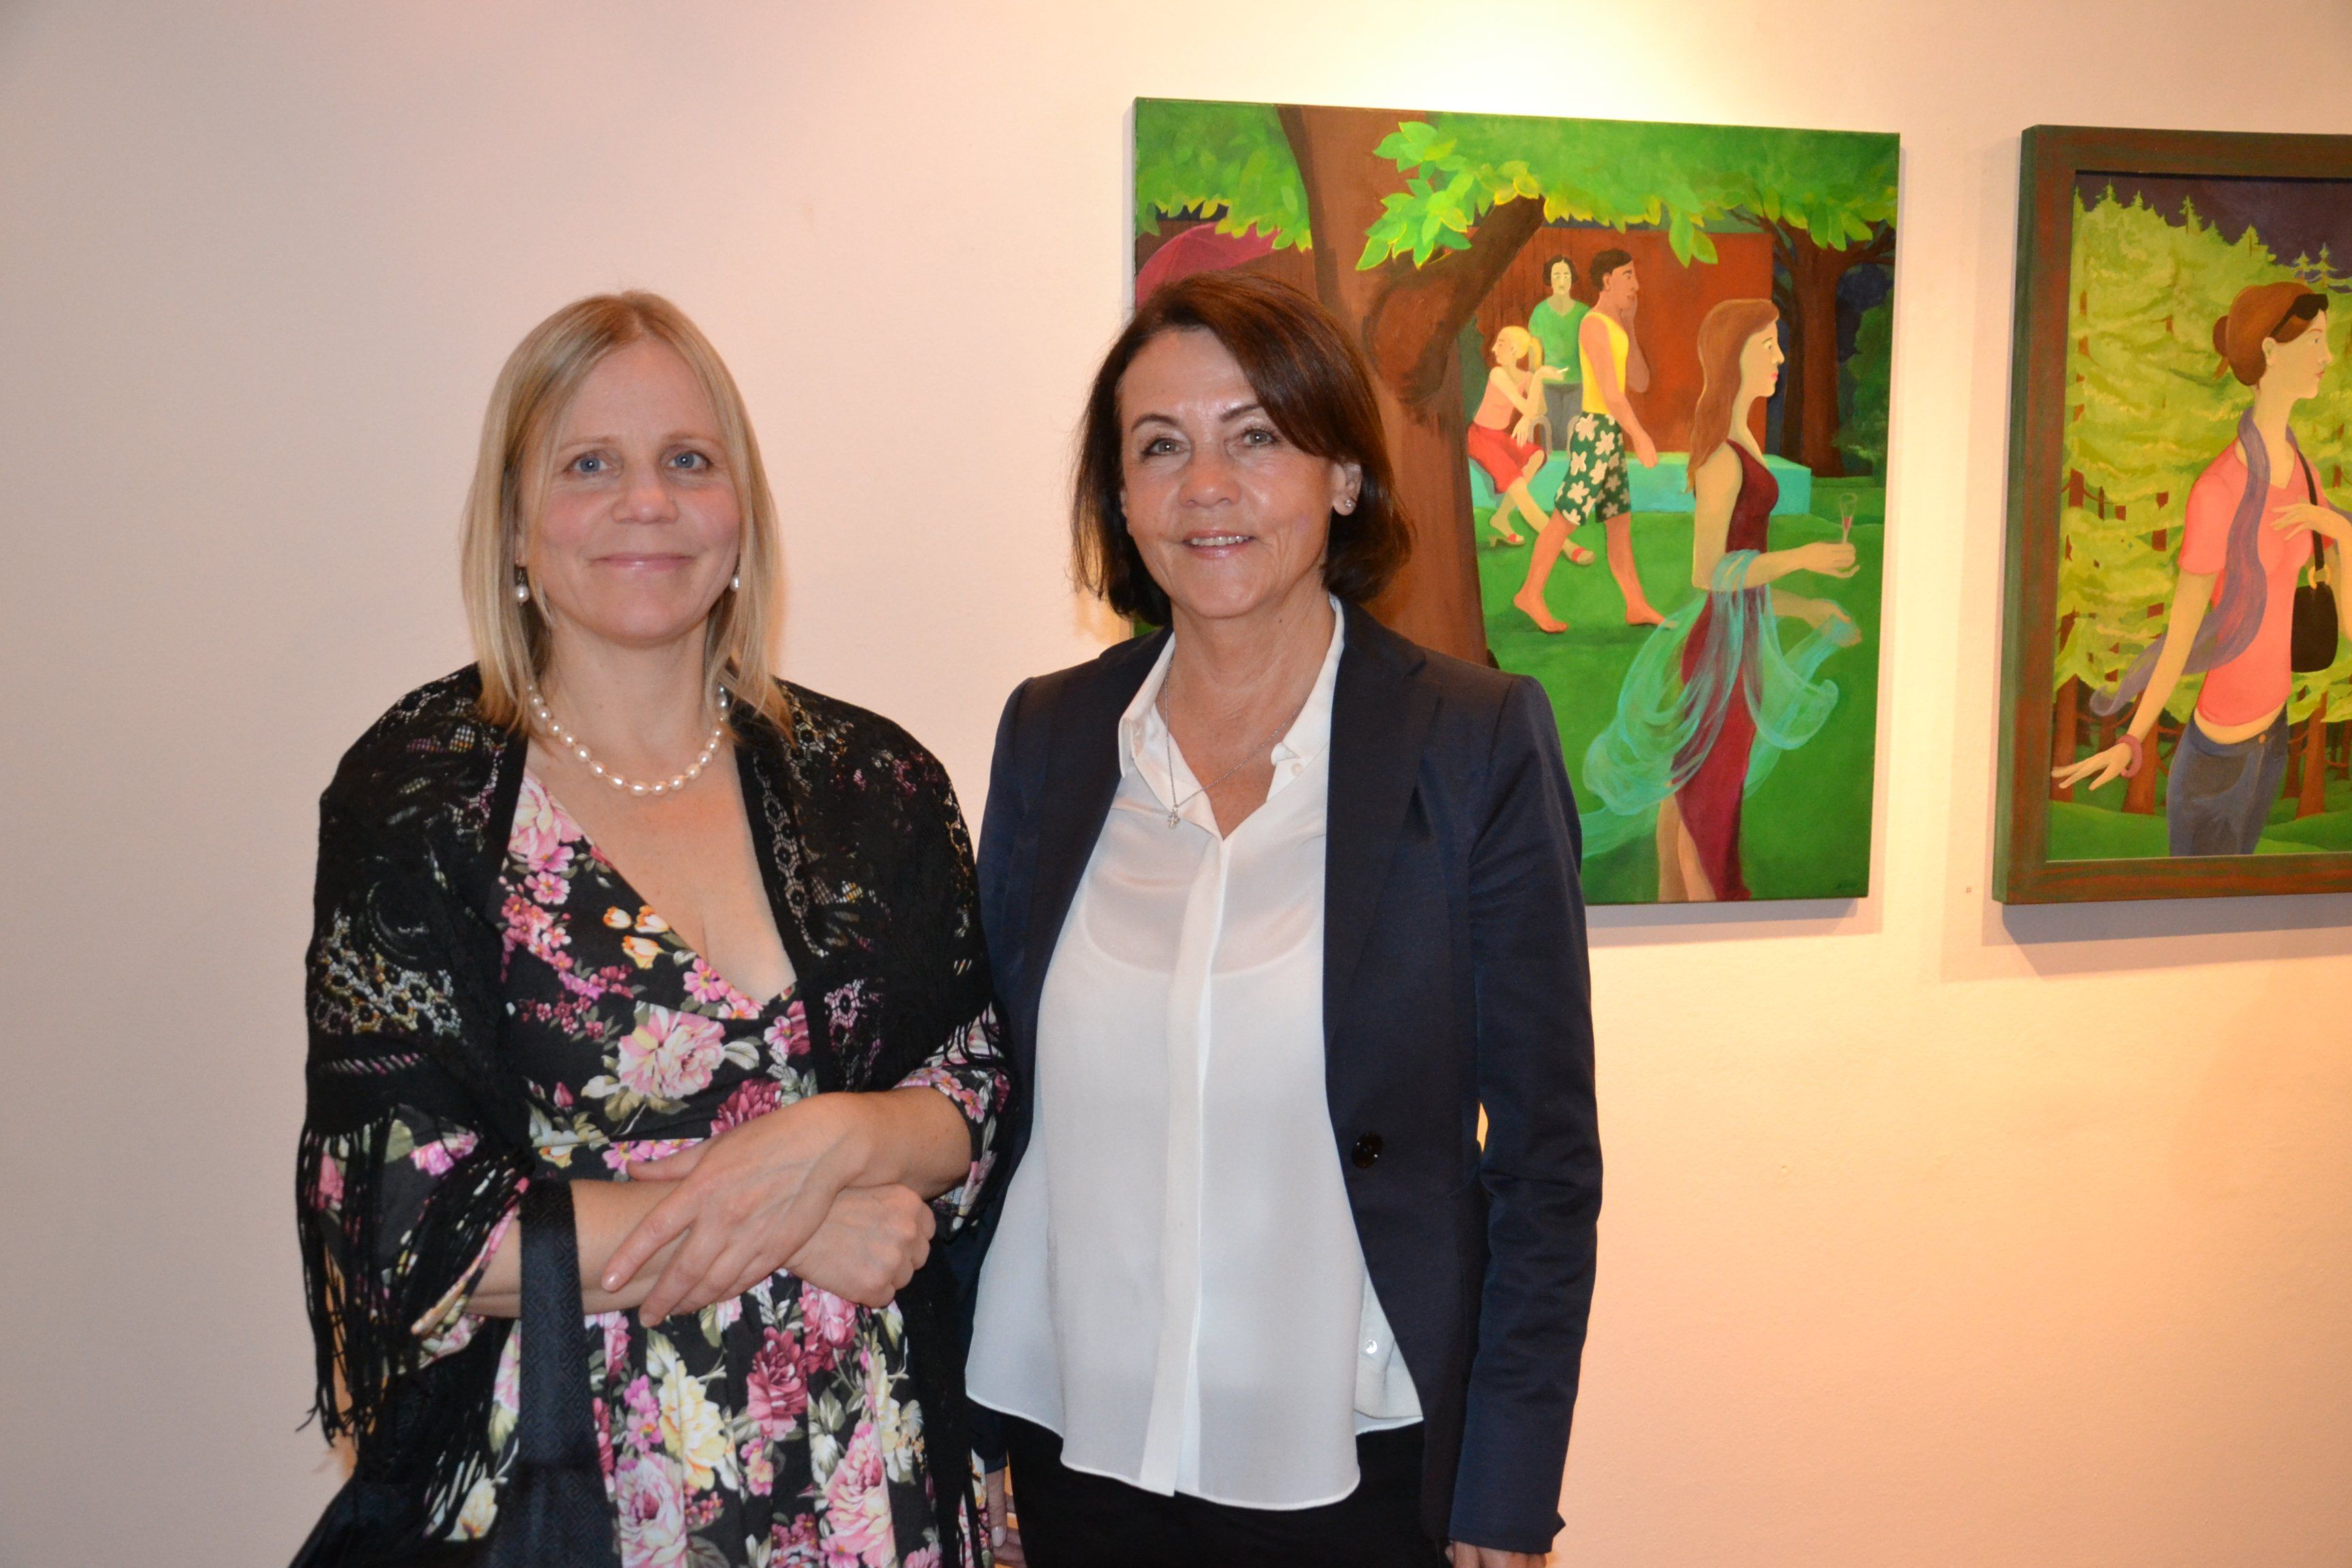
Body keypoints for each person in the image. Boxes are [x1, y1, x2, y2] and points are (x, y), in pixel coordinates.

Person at [294, 292, 1008, 1567]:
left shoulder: (872, 779)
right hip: (571, 1487)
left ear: (742, 510)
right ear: (516, 523)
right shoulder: (420, 799)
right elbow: (401, 1215)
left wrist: (839, 1138)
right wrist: (795, 1217)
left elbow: (977, 1082)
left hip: (866, 1479)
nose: (647, 502)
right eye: (589, 465)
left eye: (688, 459)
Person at [962, 271, 1601, 1568]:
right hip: (1076, 1444)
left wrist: (1506, 1481)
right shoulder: (1054, 733)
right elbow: (994, 1090)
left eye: (1255, 436)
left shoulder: (1472, 740)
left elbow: (1545, 1151)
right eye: (1161, 447)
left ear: (1344, 475)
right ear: (1120, 499)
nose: (1207, 485)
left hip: (1358, 1460)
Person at [2054, 281, 2352, 850]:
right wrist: (2132, 740)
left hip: (2272, 738)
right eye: (2315, 341)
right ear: (2271, 351)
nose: (2328, 357)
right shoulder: (2218, 491)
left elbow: (2349, 625)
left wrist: (2343, 534)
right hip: (2217, 756)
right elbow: (2182, 634)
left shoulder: (2306, 474)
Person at [1580, 299, 1858, 900]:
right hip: (1719, 658)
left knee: (1690, 808)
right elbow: (1710, 572)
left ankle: (1672, 917)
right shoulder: (1722, 459)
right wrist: (1804, 557)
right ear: (1734, 357)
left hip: (1736, 647)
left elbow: (1744, 580)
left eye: (1778, 343)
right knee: (1708, 821)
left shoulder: (1743, 440)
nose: (1780, 357)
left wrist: (1807, 607)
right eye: (1767, 345)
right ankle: (1715, 927)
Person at [1514, 250, 1664, 633]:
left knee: (1618, 521)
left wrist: (1631, 326)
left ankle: (1636, 605)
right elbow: (1611, 394)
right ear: (1608, 280)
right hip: (1595, 430)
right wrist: (1641, 436)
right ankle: (1529, 594)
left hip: (1609, 432)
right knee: (1567, 516)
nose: (1636, 285)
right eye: (1628, 276)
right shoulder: (1593, 325)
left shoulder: (1616, 327)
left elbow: (1641, 382)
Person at [1466, 326, 1587, 557]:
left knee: (1537, 455)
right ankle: (1565, 546)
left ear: (1514, 350)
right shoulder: (1498, 374)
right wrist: (1539, 378)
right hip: (1480, 437)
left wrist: (1527, 416)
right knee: (1518, 484)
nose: (1494, 348)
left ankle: (1501, 517)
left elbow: (1539, 409)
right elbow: (1525, 406)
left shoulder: (1527, 378)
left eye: (1500, 343)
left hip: (1499, 438)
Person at [1525, 255, 1586, 446]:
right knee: (1550, 441)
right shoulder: (1540, 313)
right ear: (1549, 279)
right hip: (1548, 387)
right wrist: (1534, 393)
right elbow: (1534, 359)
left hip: (1578, 386)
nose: (1562, 281)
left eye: (1566, 275)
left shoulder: (1584, 313)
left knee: (1576, 442)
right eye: (1557, 275)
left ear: (1572, 278)